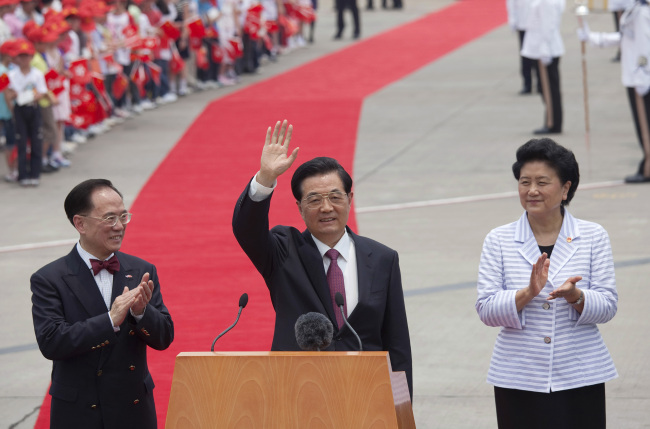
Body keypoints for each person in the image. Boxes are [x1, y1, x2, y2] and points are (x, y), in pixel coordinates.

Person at [232, 120, 413, 397]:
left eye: (334, 197)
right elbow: (247, 230)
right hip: (298, 390)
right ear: (299, 207)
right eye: (314, 199)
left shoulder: (381, 258)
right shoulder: (283, 251)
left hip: (365, 394)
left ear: (350, 199)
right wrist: (265, 179)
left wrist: (402, 410)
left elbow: (397, 341)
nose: (326, 207)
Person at [476, 138, 618, 429]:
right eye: (524, 182)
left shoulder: (593, 236)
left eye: (542, 182)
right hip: (518, 375)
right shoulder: (499, 239)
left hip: (580, 374)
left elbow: (608, 305)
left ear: (566, 188)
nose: (532, 191)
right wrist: (528, 293)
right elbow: (486, 309)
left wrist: (577, 296)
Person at [31, 178, 174, 428]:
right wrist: (110, 319)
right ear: (80, 223)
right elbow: (52, 342)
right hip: (80, 412)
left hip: (133, 409)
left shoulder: (141, 269)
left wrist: (142, 313)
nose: (119, 226)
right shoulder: (49, 278)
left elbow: (164, 338)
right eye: (109, 218)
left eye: (123, 216)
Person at [577, 0, 650, 183]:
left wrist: (642, 74)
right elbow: (625, 38)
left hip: (640, 76)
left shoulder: (641, 13)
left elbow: (644, 46)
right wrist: (593, 37)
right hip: (635, 74)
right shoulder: (635, 10)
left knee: (646, 126)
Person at [520, 0, 564, 135]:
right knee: (547, 88)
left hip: (545, 49)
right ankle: (551, 122)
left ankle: (553, 123)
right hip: (543, 47)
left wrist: (544, 48)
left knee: (549, 89)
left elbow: (548, 24)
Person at [506, 0, 539, 95]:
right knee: (525, 55)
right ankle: (527, 84)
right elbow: (511, 3)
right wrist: (512, 19)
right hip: (523, 23)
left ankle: (540, 83)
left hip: (537, 25)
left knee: (538, 54)